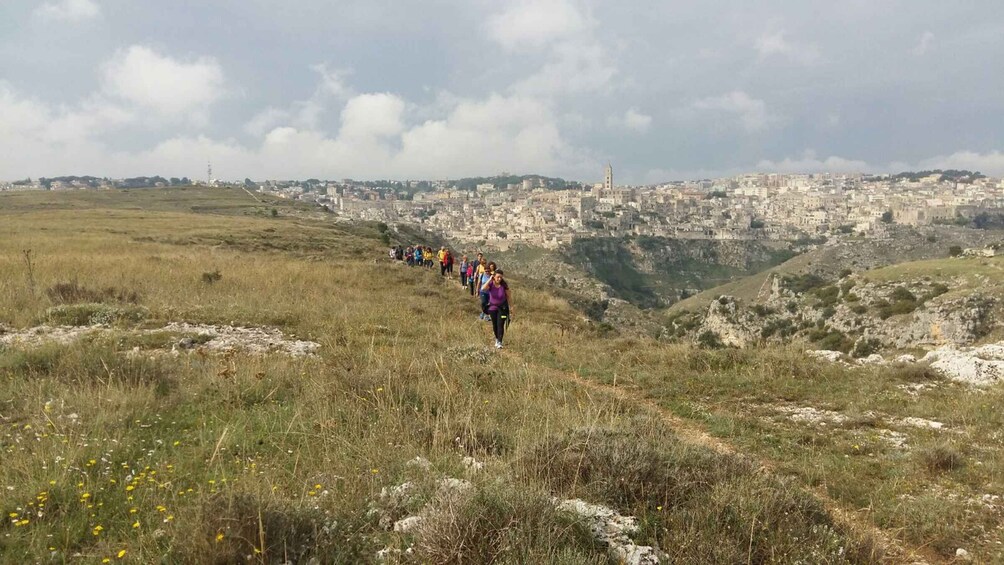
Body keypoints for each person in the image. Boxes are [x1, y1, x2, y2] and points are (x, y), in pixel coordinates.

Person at [481, 269, 512, 349]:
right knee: (495, 324)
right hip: (492, 308)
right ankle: (497, 339)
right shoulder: (491, 284)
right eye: (498, 277)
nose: (499, 279)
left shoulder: (504, 285)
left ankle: (500, 341)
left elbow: (509, 297)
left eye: (501, 277)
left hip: (503, 308)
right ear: (494, 277)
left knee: (500, 324)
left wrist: (511, 307)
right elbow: (483, 289)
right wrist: (489, 279)